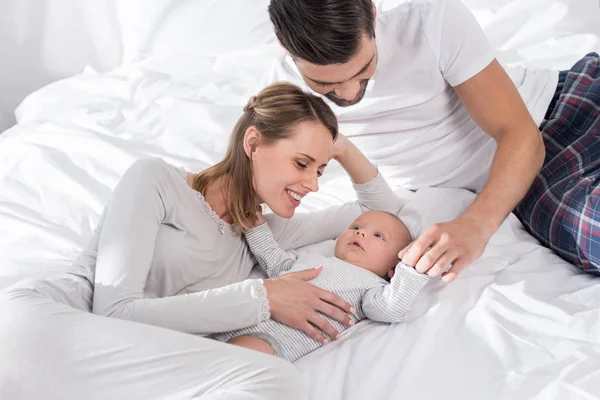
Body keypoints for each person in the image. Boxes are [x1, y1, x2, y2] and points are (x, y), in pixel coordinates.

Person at [0, 82, 405, 399]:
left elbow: (385, 212)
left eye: (321, 169)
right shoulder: (156, 181)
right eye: (302, 164)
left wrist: (338, 145)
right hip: (48, 328)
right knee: (273, 380)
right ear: (252, 144)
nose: (313, 184)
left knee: (275, 383)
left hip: (126, 366)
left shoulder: (264, 232)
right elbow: (115, 313)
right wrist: (264, 297)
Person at [263, 0, 600, 277]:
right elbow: (247, 199)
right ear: (283, 45)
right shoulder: (283, 96)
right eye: (327, 86)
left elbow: (518, 133)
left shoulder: (430, 20)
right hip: (533, 175)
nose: (350, 92)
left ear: (373, 11)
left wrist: (476, 226)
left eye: (364, 69)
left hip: (562, 107)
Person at [213, 204, 428, 362]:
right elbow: (276, 263)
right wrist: (256, 227)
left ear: (393, 268)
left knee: (234, 361)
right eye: (356, 226)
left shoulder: (373, 286)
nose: (360, 232)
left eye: (379, 236)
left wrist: (411, 268)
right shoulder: (313, 260)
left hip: (270, 337)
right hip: (244, 310)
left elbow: (390, 309)